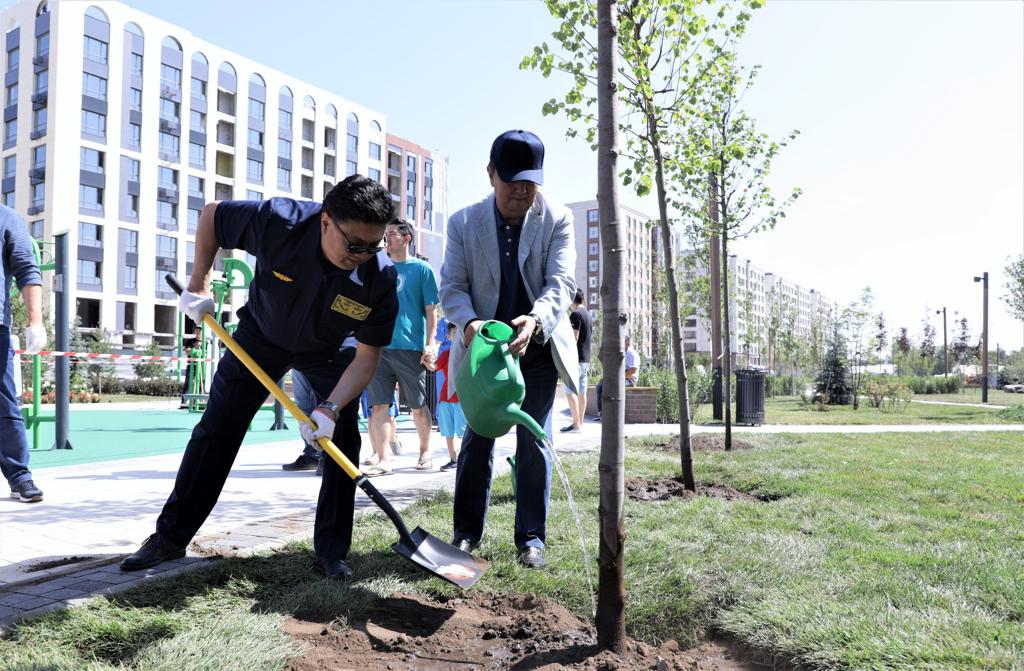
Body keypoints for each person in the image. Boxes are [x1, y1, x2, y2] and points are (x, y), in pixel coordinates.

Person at [120, 175, 398, 580]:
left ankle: (332, 552)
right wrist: (198, 284)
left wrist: (330, 408)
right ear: (325, 222)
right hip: (260, 338)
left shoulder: (380, 277)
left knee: (343, 438)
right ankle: (170, 537)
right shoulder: (279, 221)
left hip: (328, 351)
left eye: (372, 246)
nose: (361, 255)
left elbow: (366, 358)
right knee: (217, 429)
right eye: (353, 245)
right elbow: (213, 215)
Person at [440, 129, 579, 569]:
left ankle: (532, 539)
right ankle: (465, 536)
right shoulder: (463, 223)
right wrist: (471, 322)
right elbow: (452, 288)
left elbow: (561, 283)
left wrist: (536, 319)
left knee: (534, 437)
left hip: (535, 349)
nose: (522, 191)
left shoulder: (557, 219)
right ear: (491, 175)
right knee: (477, 439)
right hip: (484, 354)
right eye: (512, 180)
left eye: (530, 181)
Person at [364, 219, 439, 476]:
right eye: (385, 234)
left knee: (418, 407)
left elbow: (431, 310)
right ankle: (384, 460)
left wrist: (430, 343)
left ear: (407, 238)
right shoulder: (376, 267)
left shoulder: (422, 269)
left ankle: (425, 452)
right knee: (378, 406)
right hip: (378, 347)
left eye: (392, 234)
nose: (387, 238)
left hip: (410, 348)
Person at [1, 203, 46, 503]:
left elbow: (26, 269)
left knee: (4, 403)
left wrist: (36, 320)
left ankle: (20, 475)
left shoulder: (7, 218)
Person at [435, 321, 466, 471]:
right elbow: (434, 367)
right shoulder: (446, 353)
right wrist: (426, 360)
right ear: (448, 336)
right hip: (445, 397)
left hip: (463, 398)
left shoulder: (469, 352)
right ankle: (453, 459)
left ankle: (465, 458)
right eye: (454, 333)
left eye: (460, 332)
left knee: (464, 431)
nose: (457, 335)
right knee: (448, 431)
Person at [561, 289, 592, 433]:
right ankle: (580, 423)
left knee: (568, 390)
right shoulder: (587, 314)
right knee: (582, 391)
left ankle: (576, 423)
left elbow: (574, 338)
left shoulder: (575, 314)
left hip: (575, 359)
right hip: (586, 359)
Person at [595, 334, 639, 420]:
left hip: (629, 381)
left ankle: (608, 415)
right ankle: (601, 412)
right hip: (621, 379)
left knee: (609, 387)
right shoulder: (622, 352)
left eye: (621, 342)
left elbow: (633, 370)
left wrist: (619, 378)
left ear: (626, 343)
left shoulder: (631, 353)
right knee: (600, 386)